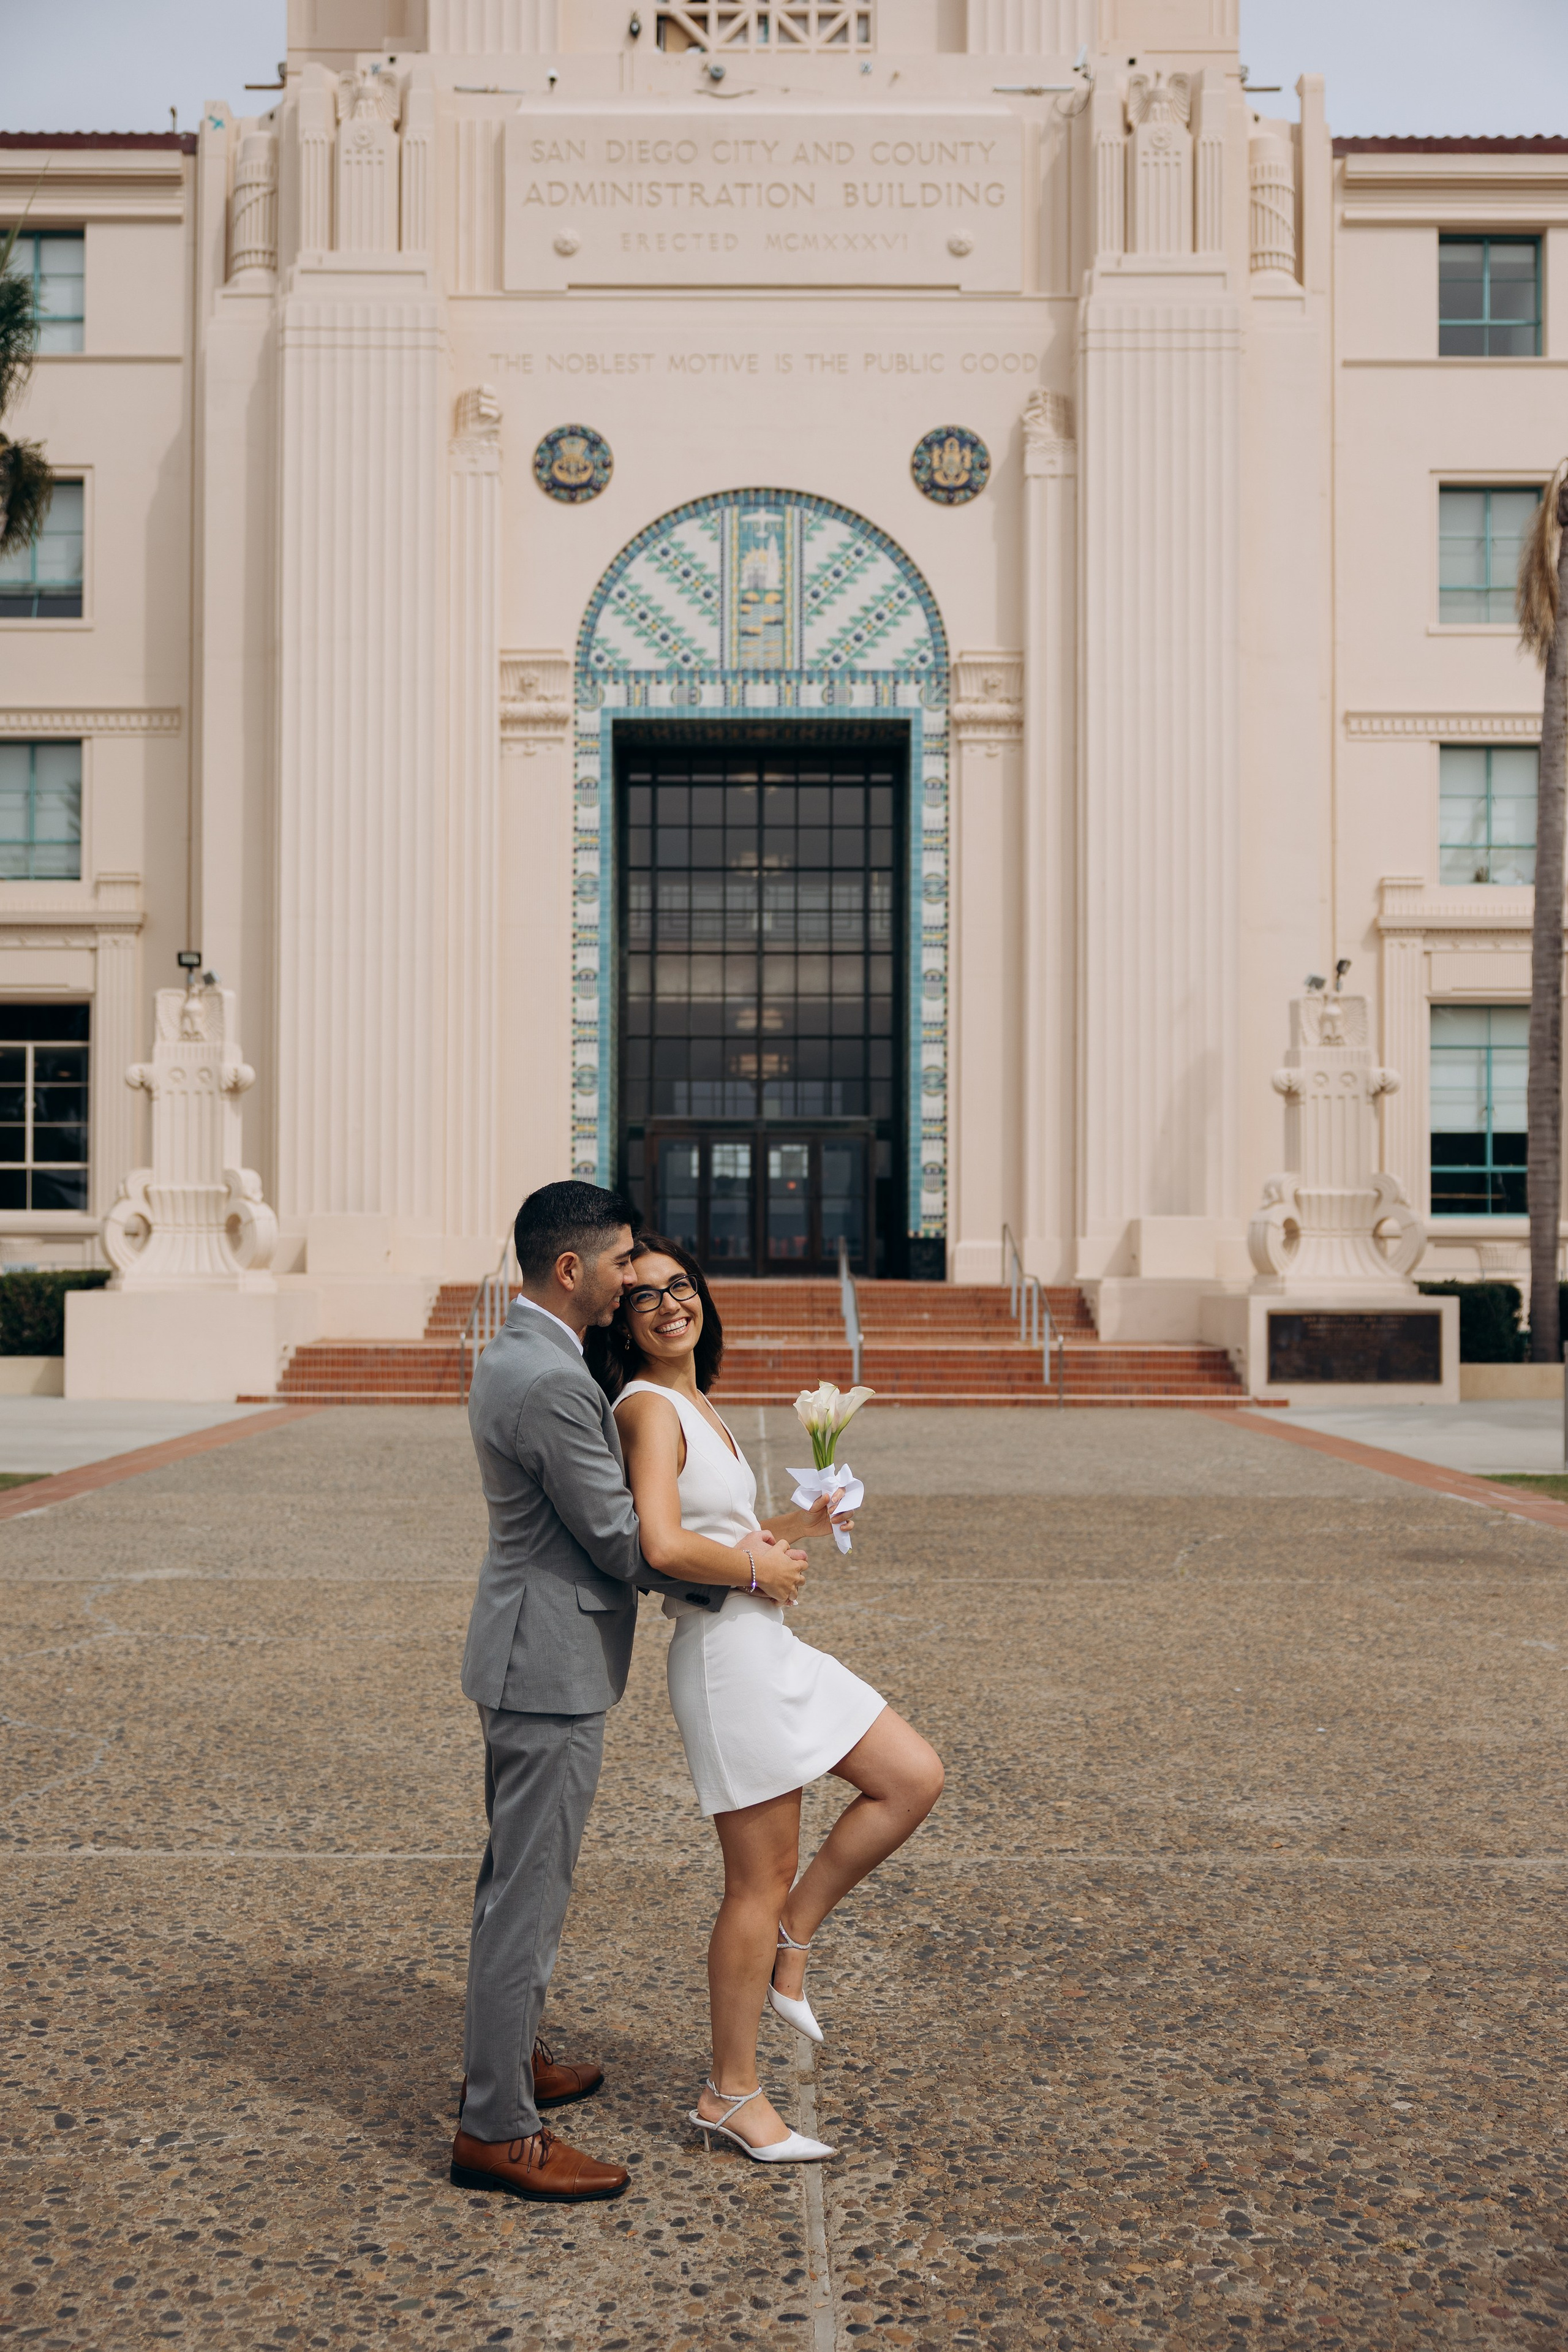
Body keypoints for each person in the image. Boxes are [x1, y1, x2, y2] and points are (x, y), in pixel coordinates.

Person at [451, 1182, 809, 2205]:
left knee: (513, 1883)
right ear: (572, 1269)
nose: (629, 1283)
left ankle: (512, 2059)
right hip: (547, 1663)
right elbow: (622, 1539)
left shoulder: (521, 1353)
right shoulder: (552, 1381)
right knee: (527, 1894)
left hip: (527, 1648)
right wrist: (748, 1570)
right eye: (619, 1264)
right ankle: (498, 2130)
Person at [586, 1234, 944, 2163]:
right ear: (622, 1323)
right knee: (755, 1878)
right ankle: (731, 2094)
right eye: (645, 1296)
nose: (670, 1304)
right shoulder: (646, 1407)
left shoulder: (696, 1400)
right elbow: (662, 1544)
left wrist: (803, 1525)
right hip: (724, 1659)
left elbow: (729, 1529)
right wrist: (757, 1568)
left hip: (762, 1644)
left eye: (681, 1286)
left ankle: (795, 1936)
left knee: (911, 1777)